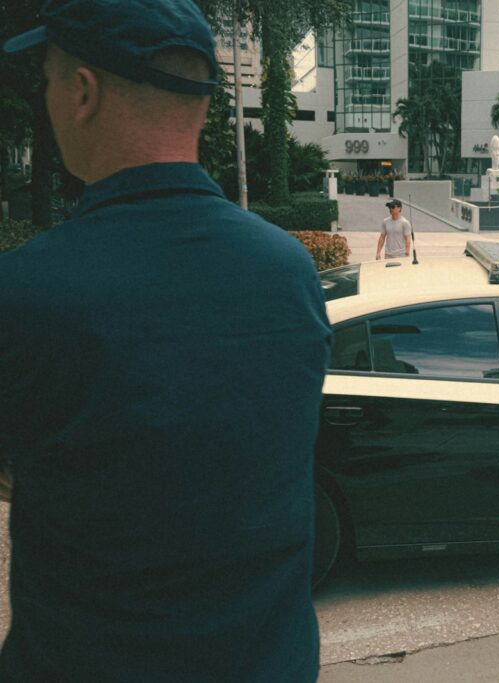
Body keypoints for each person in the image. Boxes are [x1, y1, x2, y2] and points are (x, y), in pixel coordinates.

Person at [0, 2, 331, 681]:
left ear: (84, 92)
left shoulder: (25, 289)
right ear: (203, 103)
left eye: (51, 80)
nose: (49, 98)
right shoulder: (291, 274)